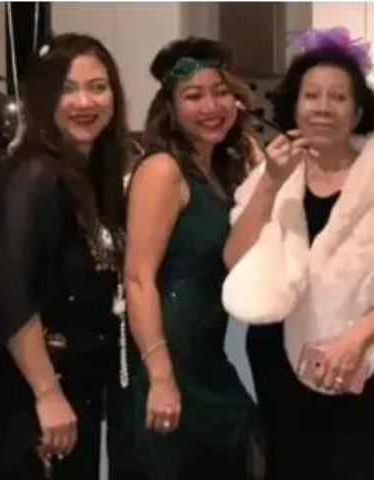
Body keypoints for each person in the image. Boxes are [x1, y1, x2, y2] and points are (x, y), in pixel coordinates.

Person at [221, 27, 374, 480]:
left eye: (338, 97)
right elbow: (235, 259)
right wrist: (271, 182)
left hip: (373, 359)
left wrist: (355, 340)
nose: (323, 107)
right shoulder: (271, 173)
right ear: (294, 105)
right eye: (312, 95)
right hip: (282, 360)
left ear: (357, 111)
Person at [0, 33, 131, 480]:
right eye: (67, 89)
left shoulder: (92, 176)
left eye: (97, 87)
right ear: (44, 99)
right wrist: (46, 393)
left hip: (77, 386)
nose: (85, 102)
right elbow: (11, 298)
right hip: (31, 395)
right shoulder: (33, 176)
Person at [111, 37, 262, 480]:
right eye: (193, 96)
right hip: (165, 359)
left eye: (220, 92)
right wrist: (160, 376)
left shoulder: (219, 170)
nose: (211, 106)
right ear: (171, 108)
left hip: (206, 357)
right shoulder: (163, 170)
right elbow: (138, 278)